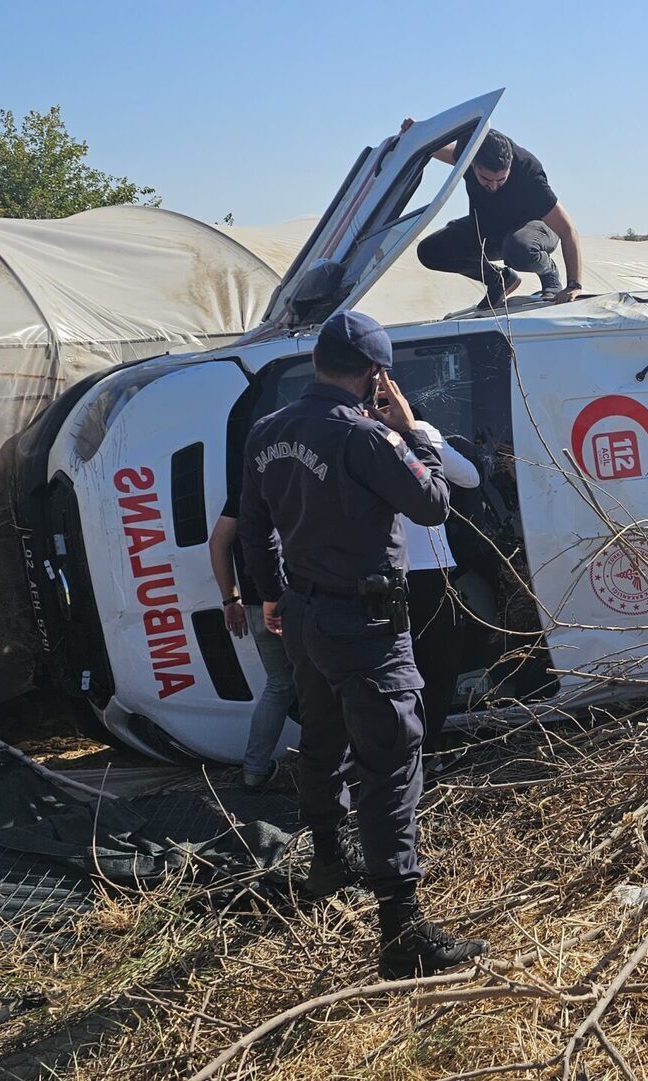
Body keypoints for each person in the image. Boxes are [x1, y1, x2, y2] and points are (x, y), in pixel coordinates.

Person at [238, 308, 486, 978]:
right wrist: (413, 434)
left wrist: (271, 595)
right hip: (368, 624)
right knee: (392, 761)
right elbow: (433, 503)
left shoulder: (268, 430)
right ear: (376, 374)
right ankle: (402, 934)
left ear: (316, 359)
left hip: (306, 617)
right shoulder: (368, 436)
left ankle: (328, 857)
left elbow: (254, 523)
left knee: (322, 738)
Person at [409, 123, 583, 309]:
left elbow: (567, 229)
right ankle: (499, 280)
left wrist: (574, 285)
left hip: (535, 229)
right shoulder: (468, 152)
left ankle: (549, 272)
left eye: (501, 180)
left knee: (518, 248)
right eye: (486, 179)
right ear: (472, 163)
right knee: (430, 251)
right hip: (491, 229)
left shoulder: (528, 172)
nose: (493, 186)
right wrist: (413, 136)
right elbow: (445, 152)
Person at [402, 421, 481, 751]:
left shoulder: (352, 432)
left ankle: (402, 751)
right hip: (432, 568)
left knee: (401, 668)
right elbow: (469, 477)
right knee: (439, 666)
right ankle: (427, 750)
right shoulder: (419, 431)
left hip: (378, 572)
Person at [208, 500, 295, 789]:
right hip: (300, 599)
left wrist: (230, 599)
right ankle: (326, 770)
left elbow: (218, 542)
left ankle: (254, 769)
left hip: (257, 603)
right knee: (321, 685)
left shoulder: (245, 488)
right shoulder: (300, 472)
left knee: (279, 684)